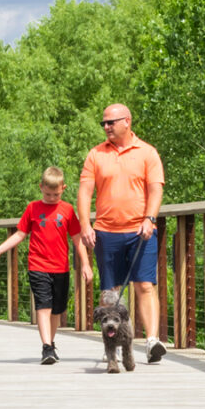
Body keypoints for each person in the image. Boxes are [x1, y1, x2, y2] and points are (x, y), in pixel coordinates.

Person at [78, 102, 167, 364]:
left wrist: (150, 218)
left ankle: (151, 341)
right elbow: (84, 192)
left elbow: (156, 189)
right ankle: (111, 346)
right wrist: (85, 224)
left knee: (144, 285)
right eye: (103, 123)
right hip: (106, 231)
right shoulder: (96, 154)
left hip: (141, 231)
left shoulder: (147, 153)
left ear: (127, 121)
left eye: (111, 122)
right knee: (110, 292)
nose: (106, 127)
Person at [0, 166, 92, 365]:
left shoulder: (68, 210)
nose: (52, 197)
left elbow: (77, 238)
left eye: (56, 194)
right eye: (47, 194)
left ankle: (50, 344)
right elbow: (20, 234)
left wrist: (86, 264)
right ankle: (46, 347)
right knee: (43, 305)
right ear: (41, 187)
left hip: (61, 267)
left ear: (63, 188)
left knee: (56, 309)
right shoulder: (33, 208)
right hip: (38, 264)